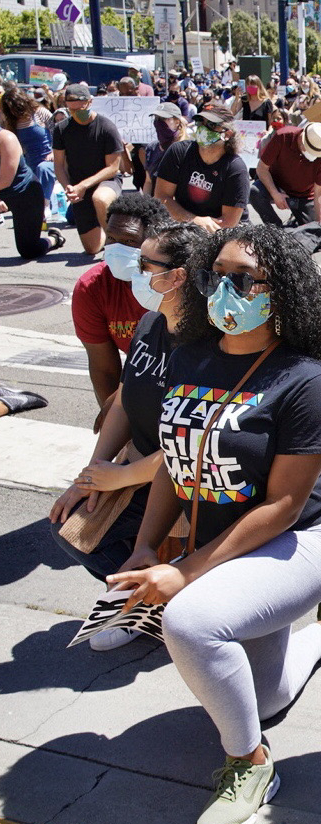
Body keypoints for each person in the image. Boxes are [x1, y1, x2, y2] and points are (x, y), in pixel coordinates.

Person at [107, 223, 321, 824]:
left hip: (299, 545)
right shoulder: (189, 356)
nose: (225, 289)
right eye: (219, 275)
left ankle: (250, 763)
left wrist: (184, 572)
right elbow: (173, 466)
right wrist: (145, 544)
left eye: (245, 279)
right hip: (229, 551)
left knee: (190, 622)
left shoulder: (304, 378)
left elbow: (286, 504)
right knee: (258, 701)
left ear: (282, 290)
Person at [50, 223, 204, 648]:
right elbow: (122, 399)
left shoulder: (207, 344)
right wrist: (93, 472)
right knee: (68, 525)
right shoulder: (150, 323)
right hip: (137, 464)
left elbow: (198, 439)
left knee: (147, 540)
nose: (135, 273)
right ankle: (146, 592)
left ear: (178, 277)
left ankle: (160, 594)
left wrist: (123, 477)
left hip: (183, 479)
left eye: (144, 264)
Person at [71, 192, 170, 415]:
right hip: (142, 381)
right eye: (111, 239)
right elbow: (103, 368)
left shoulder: (177, 281)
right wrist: (114, 421)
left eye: (128, 241)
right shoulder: (92, 287)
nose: (116, 249)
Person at [52, 84, 125, 255]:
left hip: (107, 181)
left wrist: (83, 185)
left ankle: (119, 247)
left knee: (99, 198)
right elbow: (59, 165)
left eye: (80, 108)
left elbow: (113, 168)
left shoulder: (106, 127)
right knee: (91, 249)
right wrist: (68, 187)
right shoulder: (61, 129)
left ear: (90, 102)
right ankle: (109, 235)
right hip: (78, 187)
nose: (77, 113)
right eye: (72, 110)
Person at [154, 106, 250, 233]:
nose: (202, 128)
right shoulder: (178, 152)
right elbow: (162, 197)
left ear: (227, 134)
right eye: (200, 122)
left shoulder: (235, 169)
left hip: (225, 232)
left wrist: (198, 228)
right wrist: (193, 220)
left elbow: (228, 223)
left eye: (210, 124)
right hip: (186, 225)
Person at [250, 121, 321, 227]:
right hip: (277, 184)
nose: (314, 155)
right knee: (255, 192)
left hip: (304, 195)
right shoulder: (282, 137)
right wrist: (275, 193)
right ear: (302, 140)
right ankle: (275, 228)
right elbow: (261, 168)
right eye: (311, 151)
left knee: (310, 230)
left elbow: (319, 191)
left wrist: (320, 224)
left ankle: (296, 222)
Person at [0, 122, 52, 260]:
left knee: (29, 250)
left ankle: (54, 239)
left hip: (24, 194)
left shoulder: (6, 138)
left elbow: (5, 180)